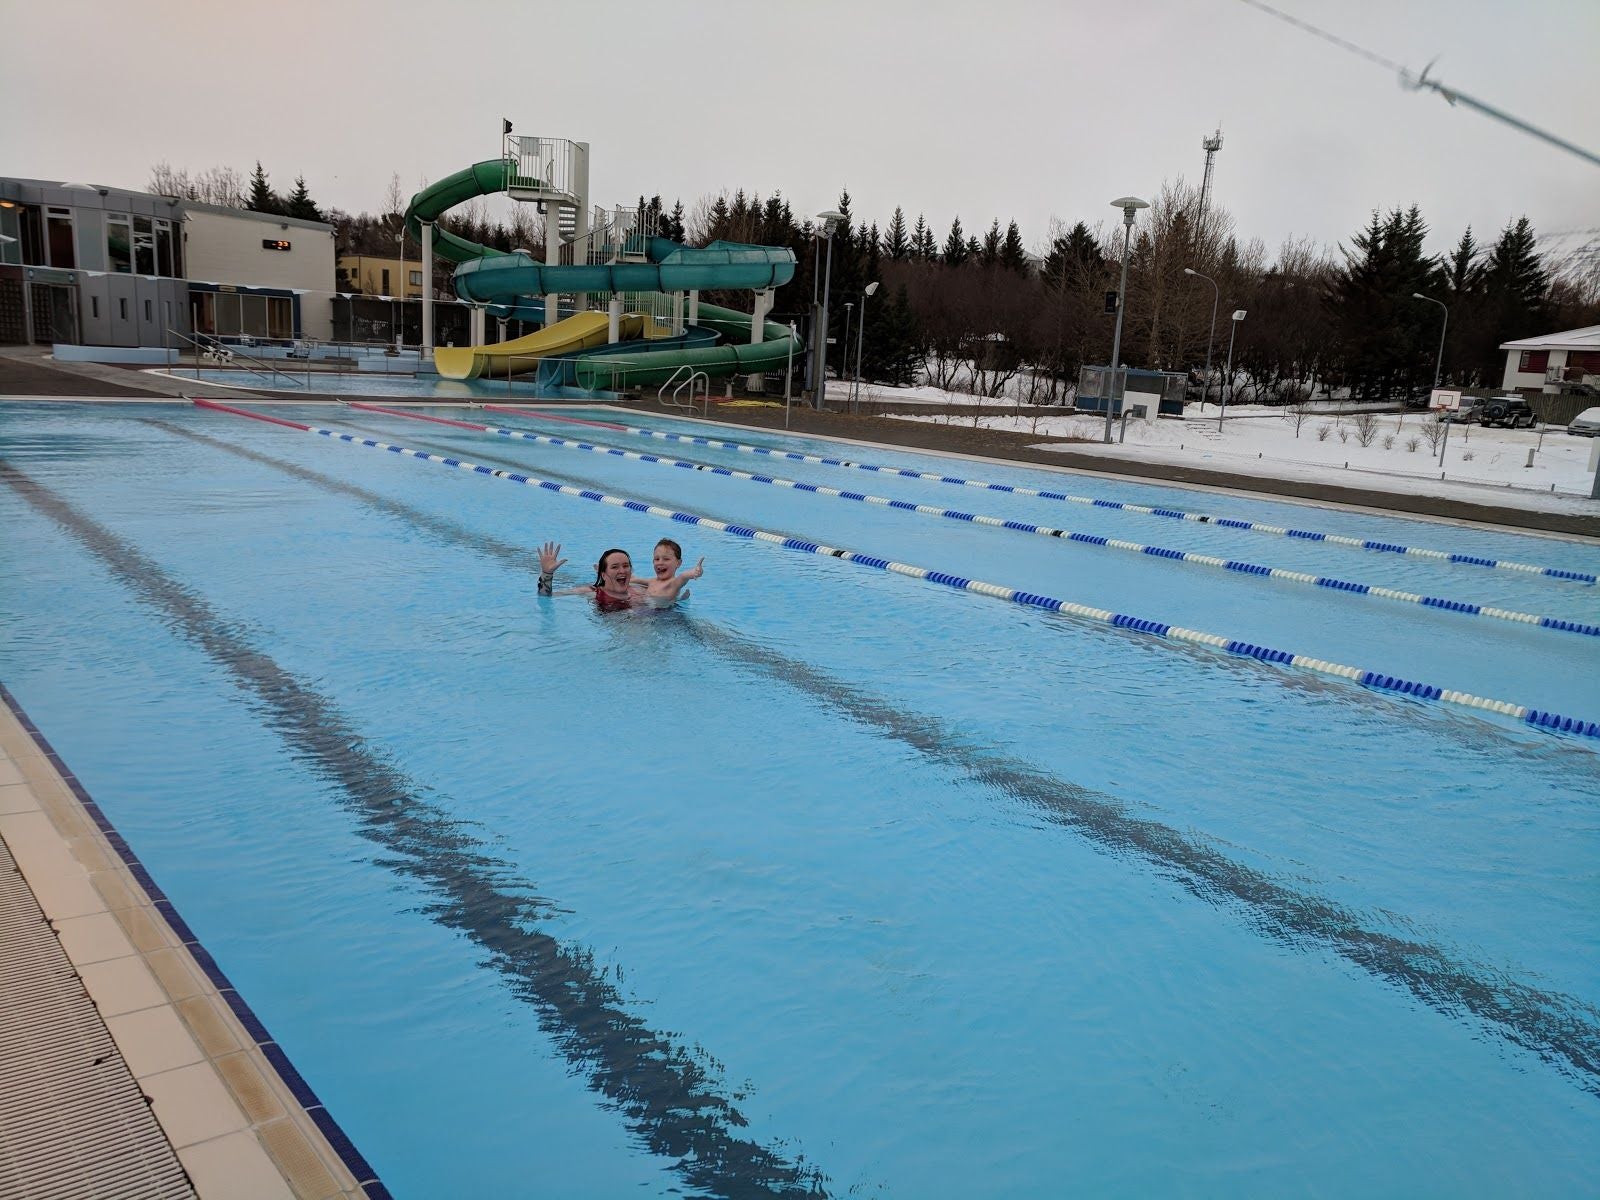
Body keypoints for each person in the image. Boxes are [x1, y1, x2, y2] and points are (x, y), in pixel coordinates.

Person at [538, 542, 636, 612]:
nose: (622, 571)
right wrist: (547, 574)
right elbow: (545, 597)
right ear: (603, 575)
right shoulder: (592, 592)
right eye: (615, 567)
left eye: (626, 566)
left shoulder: (638, 591)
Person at [639, 538, 704, 608]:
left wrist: (695, 572)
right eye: (657, 559)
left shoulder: (673, 583)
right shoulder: (651, 581)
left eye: (666, 559)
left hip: (665, 613)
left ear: (678, 563)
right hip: (648, 610)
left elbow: (684, 576)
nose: (660, 563)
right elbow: (634, 579)